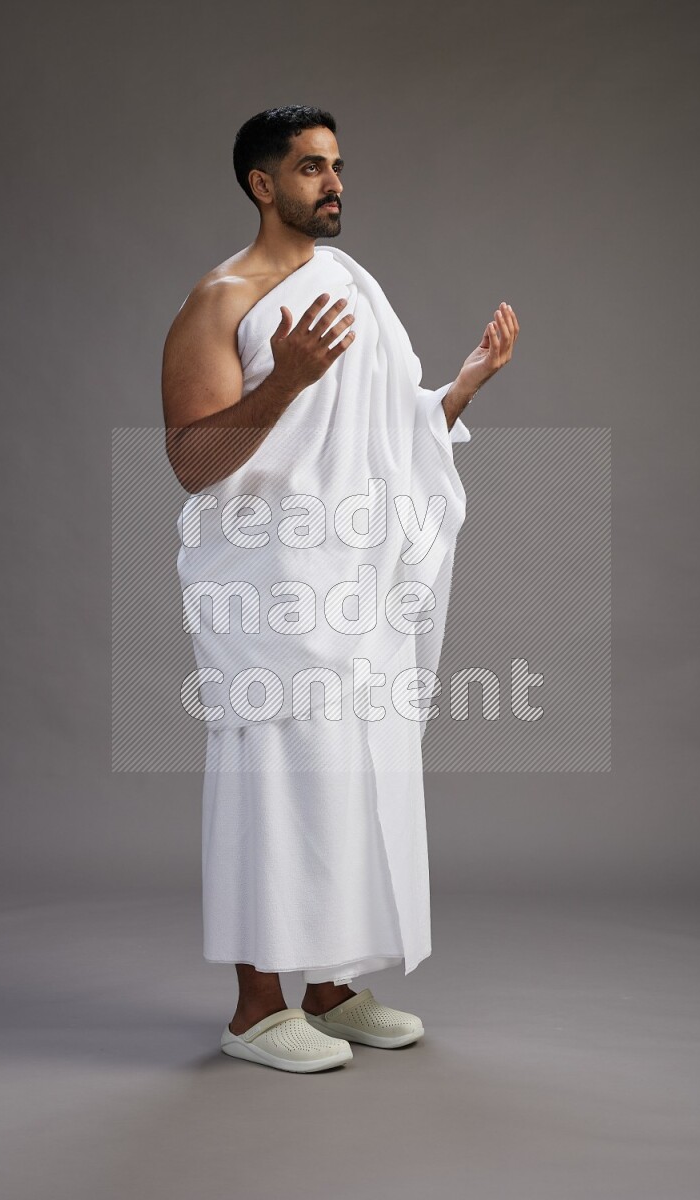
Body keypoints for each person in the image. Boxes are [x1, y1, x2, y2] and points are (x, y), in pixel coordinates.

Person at [162, 105, 519, 1073]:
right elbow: (192, 461)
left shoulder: (350, 282)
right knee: (273, 784)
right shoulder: (219, 302)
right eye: (311, 167)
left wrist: (459, 390)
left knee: (356, 779)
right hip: (270, 591)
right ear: (261, 184)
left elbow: (380, 434)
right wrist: (282, 380)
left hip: (357, 584)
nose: (334, 184)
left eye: (336, 166)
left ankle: (326, 990)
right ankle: (254, 1009)